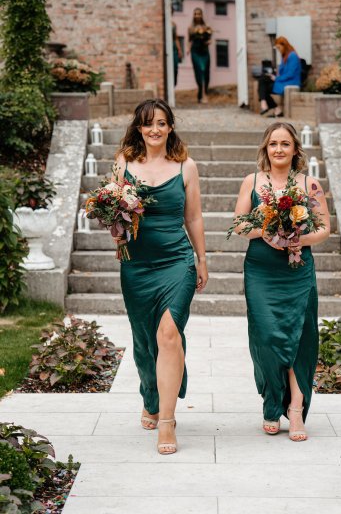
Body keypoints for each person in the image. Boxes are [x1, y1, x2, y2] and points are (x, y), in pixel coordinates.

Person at [112, 98, 208, 455]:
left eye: (162, 123)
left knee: (168, 334)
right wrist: (115, 228)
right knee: (144, 341)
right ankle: (150, 395)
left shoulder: (186, 166)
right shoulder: (123, 163)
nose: (155, 129)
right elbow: (114, 210)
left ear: (170, 127)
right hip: (136, 263)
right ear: (139, 128)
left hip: (176, 261)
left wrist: (200, 259)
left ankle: (166, 421)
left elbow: (194, 217)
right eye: (149, 123)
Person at [233, 122, 330, 441]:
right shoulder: (253, 181)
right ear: (265, 148)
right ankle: (271, 403)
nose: (278, 149)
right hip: (261, 269)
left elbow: (324, 229)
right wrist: (269, 231)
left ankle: (296, 410)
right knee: (266, 338)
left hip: (297, 270)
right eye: (273, 143)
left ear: (295, 150)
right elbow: (240, 226)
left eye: (285, 144)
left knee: (298, 338)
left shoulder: (309, 184)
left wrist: (298, 239)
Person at [258, 36, 301, 117]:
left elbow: (290, 74)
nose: (278, 50)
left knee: (264, 86)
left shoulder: (293, 56)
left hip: (290, 82)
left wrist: (276, 78)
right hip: (283, 81)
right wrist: (275, 74)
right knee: (263, 79)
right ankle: (268, 105)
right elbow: (281, 71)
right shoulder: (284, 56)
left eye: (279, 47)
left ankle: (268, 105)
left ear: (284, 45)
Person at [188, 8, 212, 104]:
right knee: (198, 72)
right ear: (193, 15)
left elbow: (209, 39)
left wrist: (209, 42)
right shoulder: (190, 28)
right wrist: (187, 49)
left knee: (206, 73)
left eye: (199, 14)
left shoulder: (207, 27)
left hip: (205, 52)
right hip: (195, 52)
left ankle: (205, 92)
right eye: (195, 14)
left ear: (201, 15)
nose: (197, 15)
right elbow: (189, 40)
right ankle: (200, 93)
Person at [172, 18, 182, 86]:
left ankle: (173, 85)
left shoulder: (173, 24)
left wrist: (179, 50)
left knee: (175, 68)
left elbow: (176, 38)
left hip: (173, 48)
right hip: (165, 48)